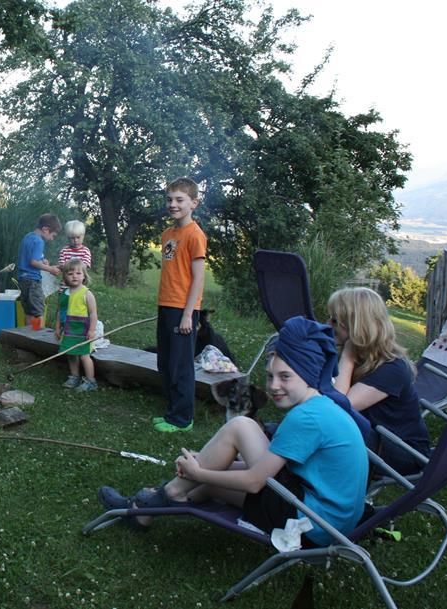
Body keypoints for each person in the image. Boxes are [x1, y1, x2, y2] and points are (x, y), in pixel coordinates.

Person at [99, 317, 369, 548]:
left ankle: (150, 504)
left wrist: (199, 472)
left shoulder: (306, 418)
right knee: (211, 476)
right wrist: (209, 463)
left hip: (311, 526)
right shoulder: (322, 406)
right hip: (328, 518)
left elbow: (254, 482)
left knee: (239, 429)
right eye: (270, 376)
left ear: (308, 374)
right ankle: (152, 505)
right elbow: (277, 469)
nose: (274, 386)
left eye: (285, 376)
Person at [329, 287, 431, 475]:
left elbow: (336, 407)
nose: (328, 324)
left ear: (355, 326)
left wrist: (348, 355)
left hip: (405, 453)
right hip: (376, 437)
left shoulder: (392, 368)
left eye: (335, 320)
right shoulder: (363, 359)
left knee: (334, 427)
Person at [153, 178, 207, 433]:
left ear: (194, 203)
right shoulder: (168, 234)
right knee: (165, 361)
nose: (172, 204)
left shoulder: (195, 235)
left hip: (183, 309)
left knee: (180, 365)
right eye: (169, 199)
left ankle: (182, 419)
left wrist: (188, 315)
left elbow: (198, 278)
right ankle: (172, 409)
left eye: (179, 200)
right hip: (166, 304)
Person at [55, 258, 98, 392]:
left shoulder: (86, 294)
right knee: (71, 353)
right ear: (65, 277)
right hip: (68, 330)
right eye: (70, 273)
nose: (74, 276)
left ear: (84, 276)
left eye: (78, 273)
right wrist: (57, 328)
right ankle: (74, 376)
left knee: (84, 355)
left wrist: (92, 330)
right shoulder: (64, 293)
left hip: (82, 331)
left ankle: (91, 381)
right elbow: (60, 312)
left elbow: (93, 314)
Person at [17, 213, 62, 331]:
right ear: (45, 229)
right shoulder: (39, 241)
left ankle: (27, 335)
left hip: (23, 279)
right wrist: (51, 269)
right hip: (33, 281)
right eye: (53, 235)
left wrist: (43, 261)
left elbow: (31, 257)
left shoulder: (28, 237)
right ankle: (38, 336)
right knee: (38, 312)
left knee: (29, 312)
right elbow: (33, 262)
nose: (52, 239)